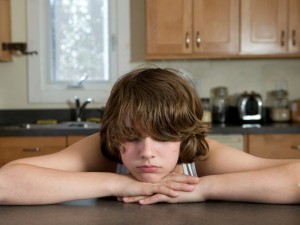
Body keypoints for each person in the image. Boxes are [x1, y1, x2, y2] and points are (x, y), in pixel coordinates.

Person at [0, 67, 300, 205]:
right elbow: (6, 183)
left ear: (183, 137)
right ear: (116, 135)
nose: (147, 151)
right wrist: (122, 184)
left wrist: (200, 189)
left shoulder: (200, 154)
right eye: (132, 136)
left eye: (164, 137)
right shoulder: (101, 148)